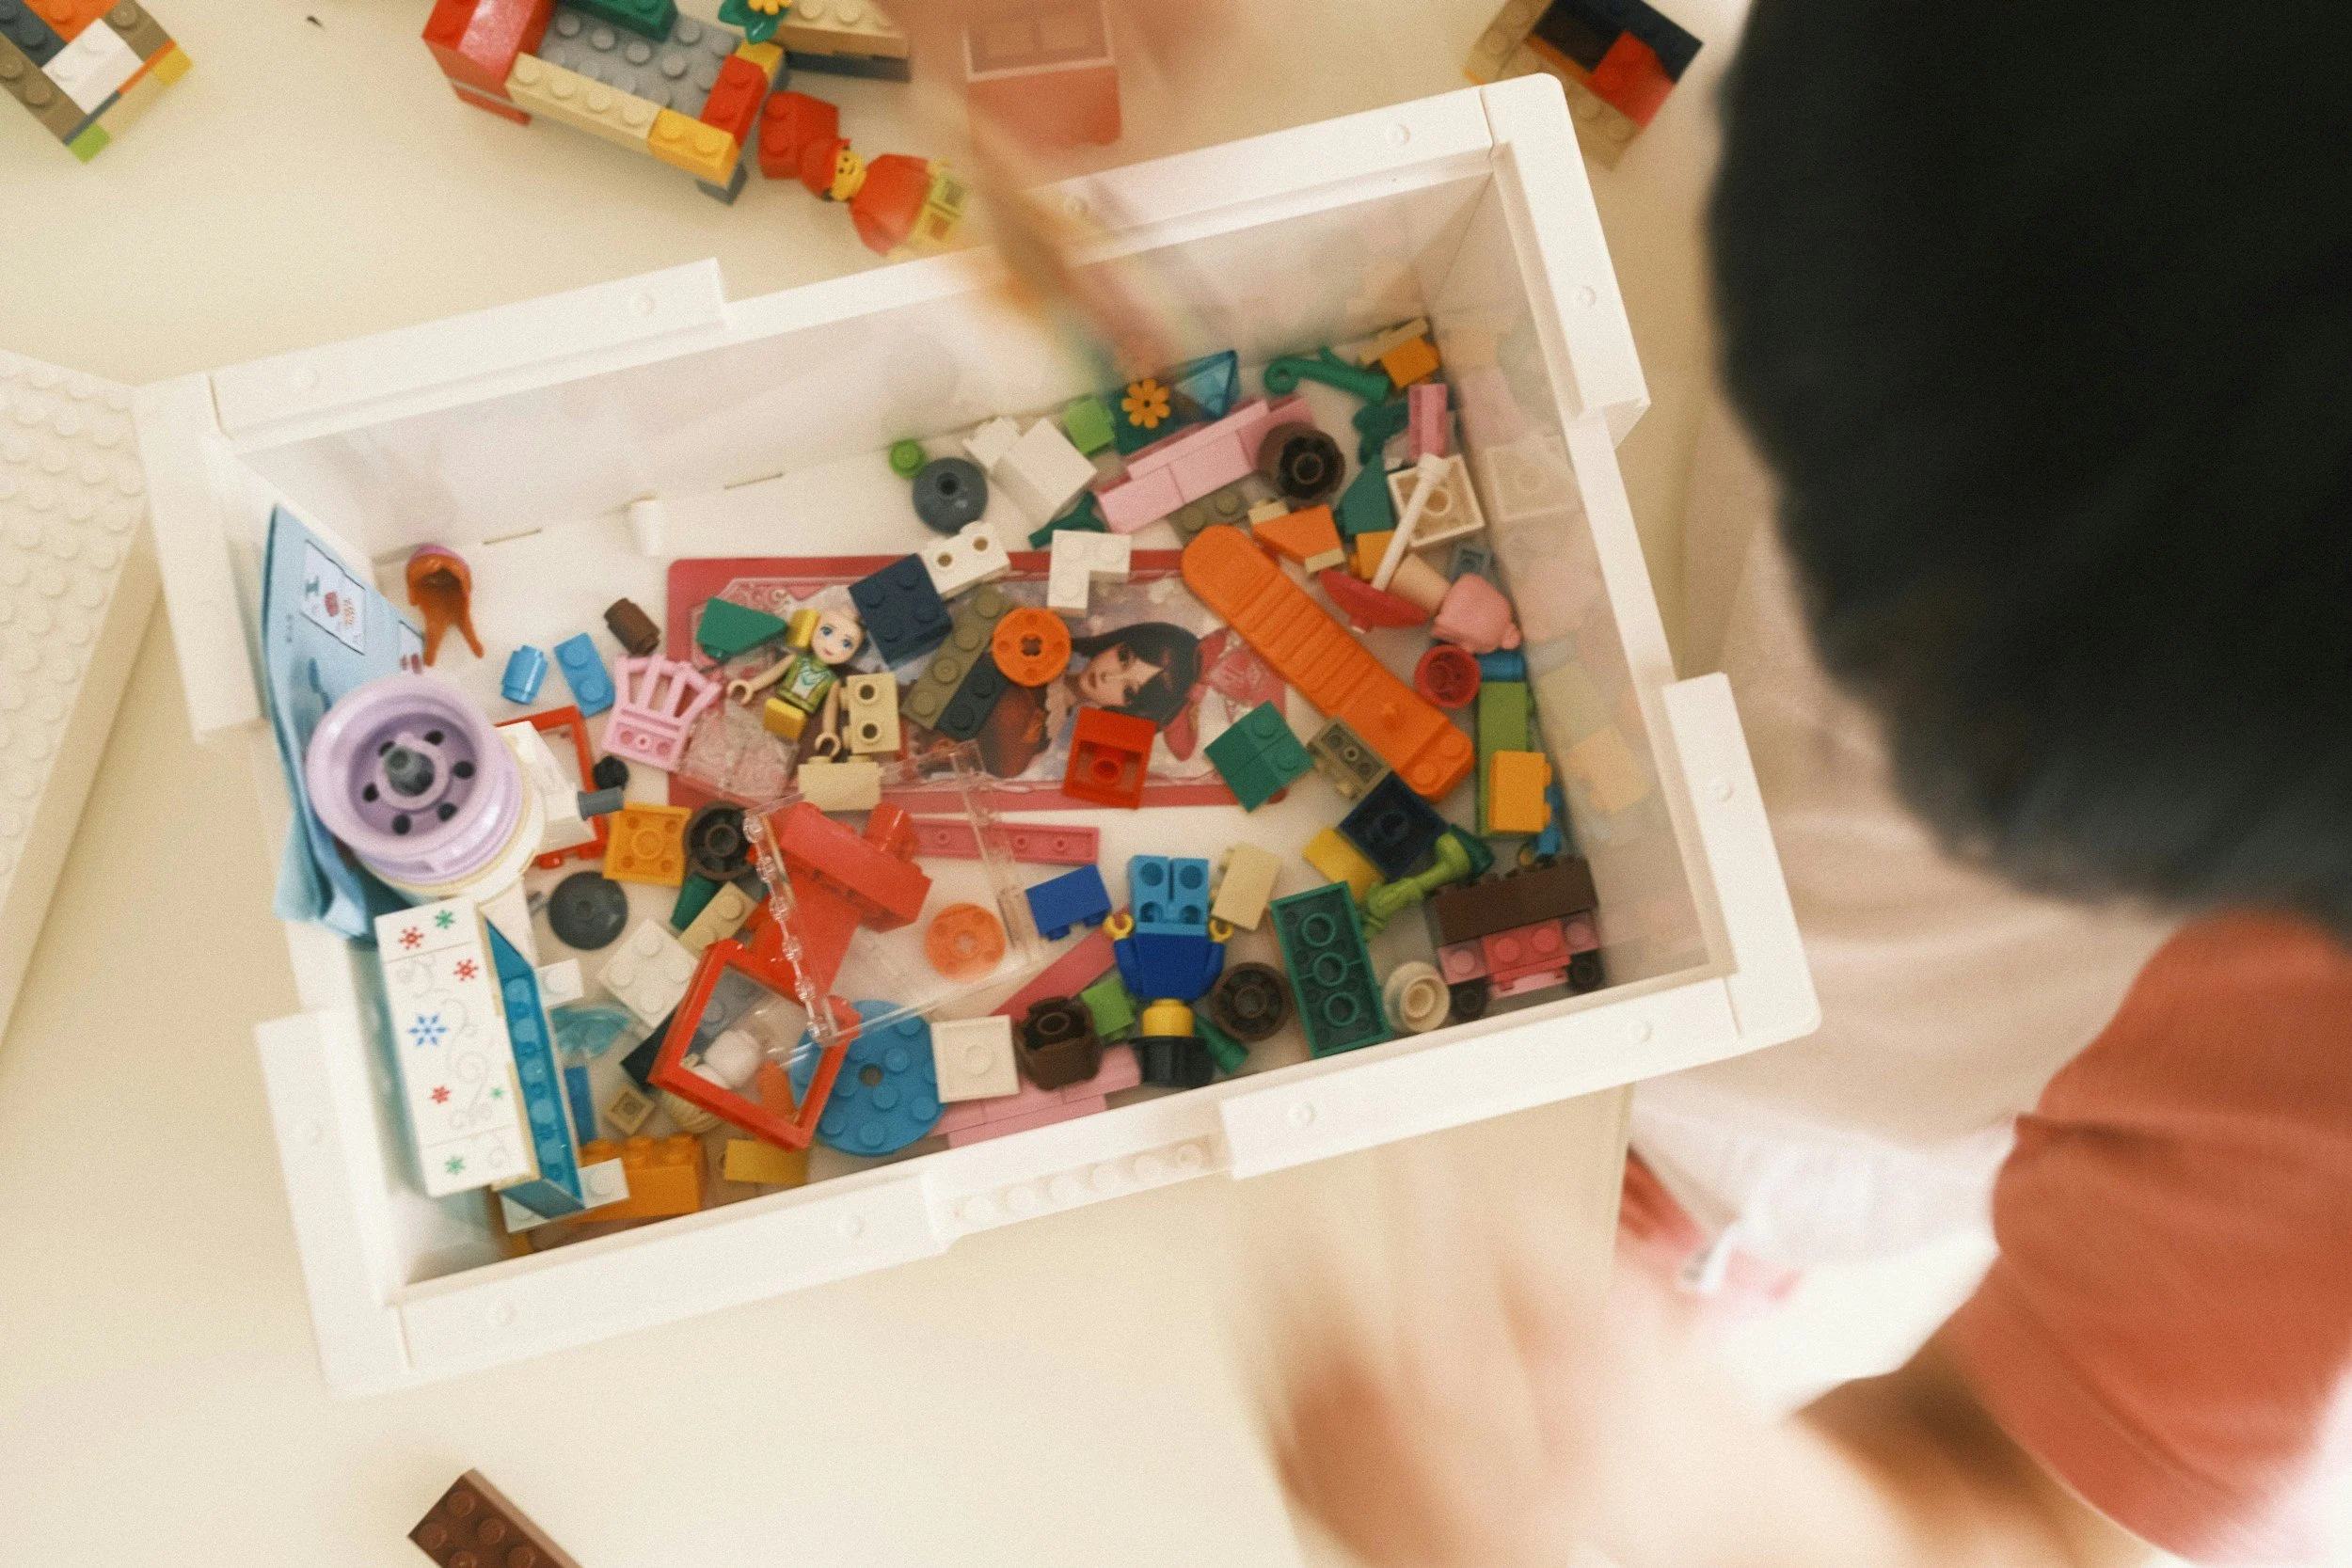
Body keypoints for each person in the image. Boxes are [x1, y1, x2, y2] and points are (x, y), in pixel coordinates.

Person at [1272, 3, 2352, 1565]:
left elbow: (2029, 1502)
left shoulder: (2311, 1091)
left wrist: (1705, 1512)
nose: (1845, 610)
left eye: (1955, 687)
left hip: (1685, 1153)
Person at [973, 622, 1201, 777]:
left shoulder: (1048, 730)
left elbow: (1001, 766)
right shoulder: (1035, 654)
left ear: (1131, 713)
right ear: (1118, 641)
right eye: (1124, 657)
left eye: (1129, 692)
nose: (1108, 676)